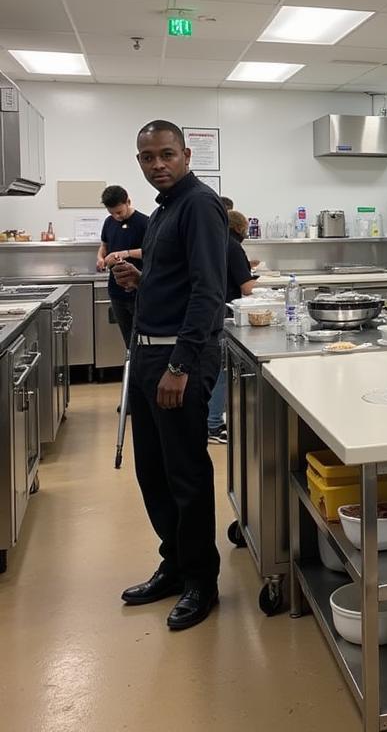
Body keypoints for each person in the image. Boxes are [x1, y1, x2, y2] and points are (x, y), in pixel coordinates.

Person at [112, 120, 227, 631]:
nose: (156, 164)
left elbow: (208, 290)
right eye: (147, 157)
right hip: (148, 356)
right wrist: (142, 281)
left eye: (166, 154)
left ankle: (203, 580)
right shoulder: (163, 211)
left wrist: (180, 364)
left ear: (185, 154)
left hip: (178, 360)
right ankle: (176, 565)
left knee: (185, 474)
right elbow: (176, 281)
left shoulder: (199, 204)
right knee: (153, 471)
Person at [207, 210, 258, 444]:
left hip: (210, 311)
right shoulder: (233, 246)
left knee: (215, 369)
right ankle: (214, 425)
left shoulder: (214, 241)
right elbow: (247, 288)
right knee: (221, 370)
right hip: (225, 314)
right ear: (239, 228)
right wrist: (267, 287)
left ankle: (213, 420)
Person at [96, 185, 149, 348]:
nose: (116, 217)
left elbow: (150, 252)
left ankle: (138, 369)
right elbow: (104, 245)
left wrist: (125, 253)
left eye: (119, 212)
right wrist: (100, 258)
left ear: (128, 202)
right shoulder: (109, 222)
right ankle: (130, 365)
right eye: (111, 213)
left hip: (137, 290)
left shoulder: (145, 222)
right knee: (128, 340)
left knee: (140, 338)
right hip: (116, 290)